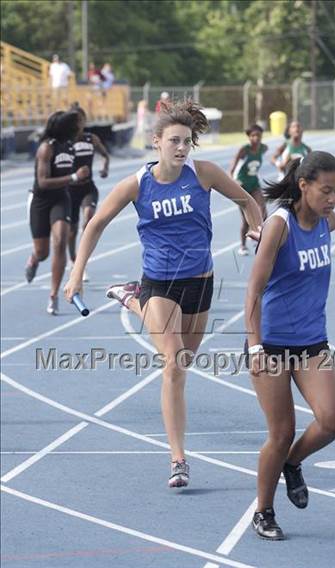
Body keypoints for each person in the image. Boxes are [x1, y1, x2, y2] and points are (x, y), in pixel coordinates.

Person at [64, 100, 263, 487]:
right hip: (159, 283)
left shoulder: (203, 174)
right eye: (173, 141)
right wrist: (77, 273)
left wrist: (256, 228)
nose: (181, 148)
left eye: (187, 141)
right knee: (172, 365)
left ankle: (129, 298)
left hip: (200, 282)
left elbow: (247, 201)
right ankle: (178, 459)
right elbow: (96, 223)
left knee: (184, 362)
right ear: (156, 142)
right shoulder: (139, 184)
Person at [245, 152, 335, 540]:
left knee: (333, 420)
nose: (333, 199)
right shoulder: (279, 225)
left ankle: (293, 463)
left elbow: (332, 219)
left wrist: (328, 210)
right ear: (304, 185)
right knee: (281, 430)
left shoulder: (326, 220)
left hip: (311, 342)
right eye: (326, 190)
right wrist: (254, 347)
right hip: (270, 344)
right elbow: (252, 291)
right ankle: (263, 511)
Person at [25, 110, 90, 314]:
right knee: (43, 252)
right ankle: (34, 258)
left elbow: (79, 173)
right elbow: (43, 182)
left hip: (61, 199)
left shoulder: (71, 147)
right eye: (77, 124)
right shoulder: (46, 148)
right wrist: (73, 178)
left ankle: (53, 295)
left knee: (61, 241)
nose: (81, 128)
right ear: (67, 128)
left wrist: (84, 178)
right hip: (41, 201)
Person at [68, 105, 110, 281]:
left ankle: (81, 264)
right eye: (75, 121)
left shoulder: (91, 138)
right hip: (69, 190)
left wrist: (104, 169)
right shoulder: (65, 142)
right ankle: (73, 260)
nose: (79, 124)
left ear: (85, 121)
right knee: (71, 231)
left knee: (89, 218)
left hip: (87, 188)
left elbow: (105, 155)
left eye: (81, 120)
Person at [230, 124, 268, 256]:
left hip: (254, 184)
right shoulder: (244, 150)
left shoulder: (263, 148)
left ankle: (258, 236)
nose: (256, 138)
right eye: (253, 135)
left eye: (258, 135)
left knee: (263, 210)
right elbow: (233, 165)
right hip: (242, 186)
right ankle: (242, 245)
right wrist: (233, 181)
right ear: (248, 137)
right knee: (246, 219)